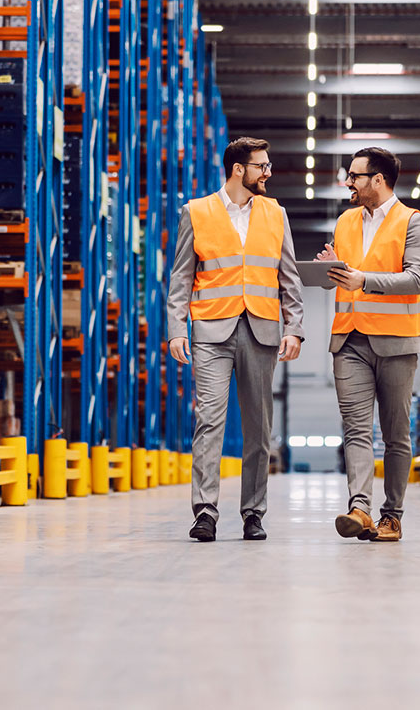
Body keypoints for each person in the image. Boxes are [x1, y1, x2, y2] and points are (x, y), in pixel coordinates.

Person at [167, 136, 304, 542]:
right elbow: (181, 277)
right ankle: (205, 511)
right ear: (238, 169)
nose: (268, 172)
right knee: (208, 421)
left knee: (259, 428)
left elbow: (289, 277)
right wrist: (177, 329)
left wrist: (294, 327)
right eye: (262, 166)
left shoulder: (276, 213)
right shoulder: (196, 212)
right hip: (211, 331)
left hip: (261, 329)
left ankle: (253, 513)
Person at [317, 147, 420, 542]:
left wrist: (362, 279)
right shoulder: (345, 222)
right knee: (355, 429)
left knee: (396, 434)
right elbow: (347, 275)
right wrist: (332, 266)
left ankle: (391, 516)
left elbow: (417, 279)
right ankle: (360, 508)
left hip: (397, 342)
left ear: (377, 180)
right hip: (348, 338)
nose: (348, 182)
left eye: (355, 176)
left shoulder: (413, 223)